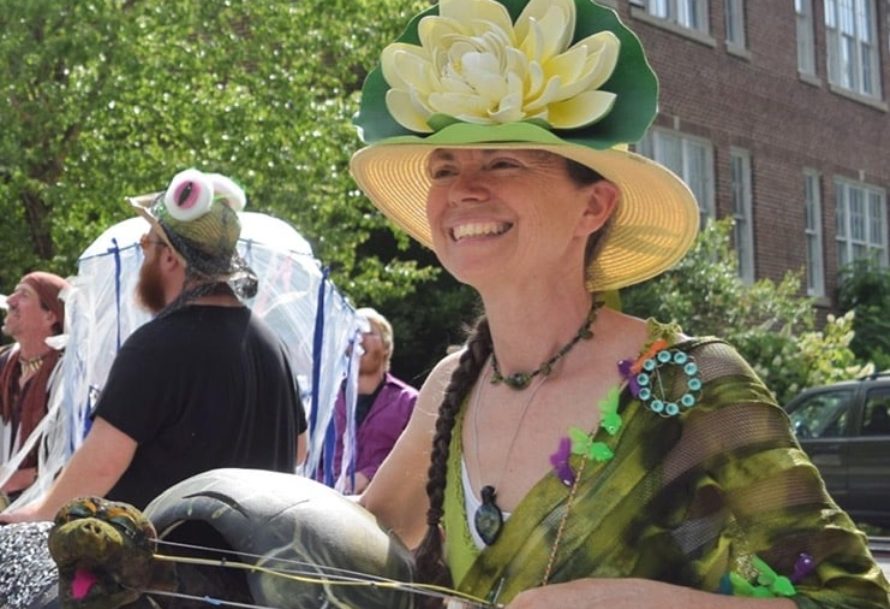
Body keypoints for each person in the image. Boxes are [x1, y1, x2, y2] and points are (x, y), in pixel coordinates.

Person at [348, 0, 890, 607]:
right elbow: (362, 538)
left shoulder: (690, 383)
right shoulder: (455, 385)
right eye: (444, 169)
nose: (464, 191)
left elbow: (857, 599)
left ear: (594, 207)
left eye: (503, 161)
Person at [0, 168, 307, 521]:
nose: (144, 255)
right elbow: (298, 449)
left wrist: (37, 515)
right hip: (252, 566)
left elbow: (102, 465)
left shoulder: (155, 347)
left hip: (164, 567)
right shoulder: (272, 345)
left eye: (147, 244)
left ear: (171, 257)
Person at [329, 307, 418, 493]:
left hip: (384, 510)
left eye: (368, 332)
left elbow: (416, 457)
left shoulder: (409, 401)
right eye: (354, 332)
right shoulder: (328, 401)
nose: (359, 338)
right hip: (328, 507)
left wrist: (370, 475)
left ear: (386, 347)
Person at [0, 272, 70, 496]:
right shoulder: (4, 363)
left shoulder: (67, 374)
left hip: (43, 503)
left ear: (50, 316)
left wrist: (25, 476)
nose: (10, 300)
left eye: (24, 294)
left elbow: (76, 452)